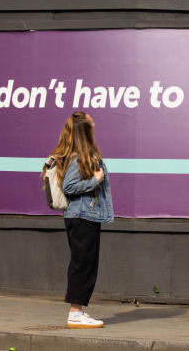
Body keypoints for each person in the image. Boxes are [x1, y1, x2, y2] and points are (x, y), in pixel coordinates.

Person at [48, 111, 114, 329]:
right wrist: (95, 180)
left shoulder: (81, 154)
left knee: (83, 264)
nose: (95, 123)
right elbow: (69, 187)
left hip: (83, 216)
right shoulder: (78, 157)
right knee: (83, 264)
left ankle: (77, 311)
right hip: (82, 216)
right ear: (85, 130)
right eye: (91, 121)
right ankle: (75, 313)